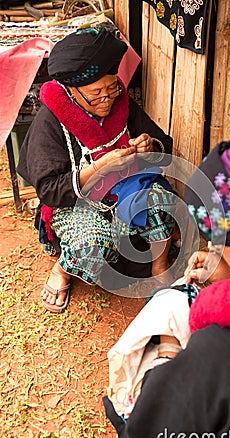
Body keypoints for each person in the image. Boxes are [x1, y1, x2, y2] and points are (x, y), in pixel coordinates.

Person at [103, 127, 230, 438]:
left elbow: (152, 436)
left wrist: (167, 354)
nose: (214, 248)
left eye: (221, 242)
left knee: (169, 308)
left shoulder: (221, 358)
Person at [17, 26, 177, 313]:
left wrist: (149, 145)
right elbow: (50, 191)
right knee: (90, 245)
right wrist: (98, 169)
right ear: (71, 91)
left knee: (160, 198)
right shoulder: (50, 122)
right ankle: (63, 269)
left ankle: (160, 265)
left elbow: (164, 145)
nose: (107, 99)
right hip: (77, 203)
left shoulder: (120, 103)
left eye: (111, 87)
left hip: (124, 192)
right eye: (96, 94)